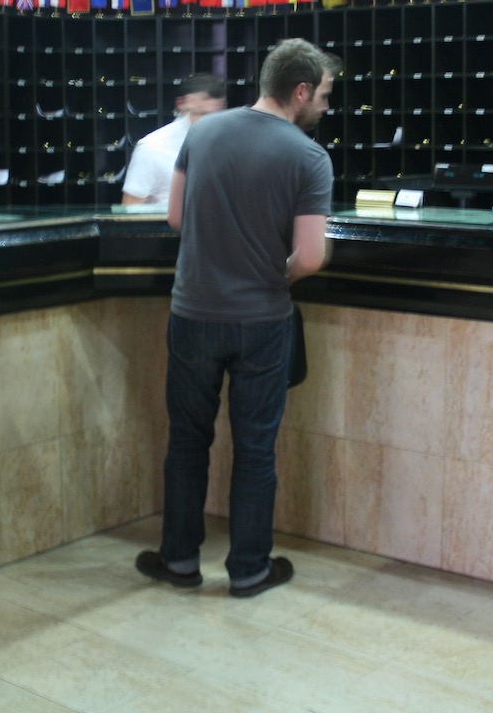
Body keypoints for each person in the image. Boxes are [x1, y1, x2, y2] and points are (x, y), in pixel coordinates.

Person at [136, 38, 339, 598]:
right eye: (322, 95)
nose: (325, 104)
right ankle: (249, 568)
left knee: (187, 442)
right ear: (298, 91)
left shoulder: (202, 133)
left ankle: (179, 560)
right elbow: (310, 256)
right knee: (254, 448)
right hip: (261, 322)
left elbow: (176, 217)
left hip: (193, 313)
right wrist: (277, 274)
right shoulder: (308, 157)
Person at [120, 73, 226, 206]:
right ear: (181, 104)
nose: (209, 121)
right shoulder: (151, 148)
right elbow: (130, 210)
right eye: (201, 113)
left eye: (215, 114)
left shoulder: (229, 144)